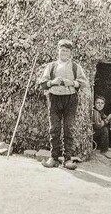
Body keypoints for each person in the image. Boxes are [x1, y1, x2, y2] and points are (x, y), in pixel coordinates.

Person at [37, 39, 88, 170]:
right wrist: (53, 82)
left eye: (67, 51)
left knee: (68, 129)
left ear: (70, 53)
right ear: (58, 51)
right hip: (54, 99)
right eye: (62, 50)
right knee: (54, 128)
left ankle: (67, 159)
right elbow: (43, 84)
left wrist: (71, 82)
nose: (64, 53)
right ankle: (53, 158)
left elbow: (83, 83)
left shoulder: (75, 67)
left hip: (70, 99)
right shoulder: (51, 66)